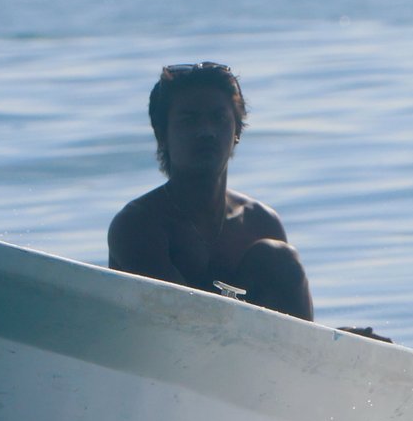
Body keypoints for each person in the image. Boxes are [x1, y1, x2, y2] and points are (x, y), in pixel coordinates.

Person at [108, 62, 315, 320]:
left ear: (237, 130)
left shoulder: (260, 222)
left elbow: (298, 327)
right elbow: (177, 323)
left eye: (219, 118)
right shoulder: (137, 225)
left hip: (252, 344)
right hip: (169, 343)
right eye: (189, 121)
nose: (206, 132)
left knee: (277, 257)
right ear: (162, 134)